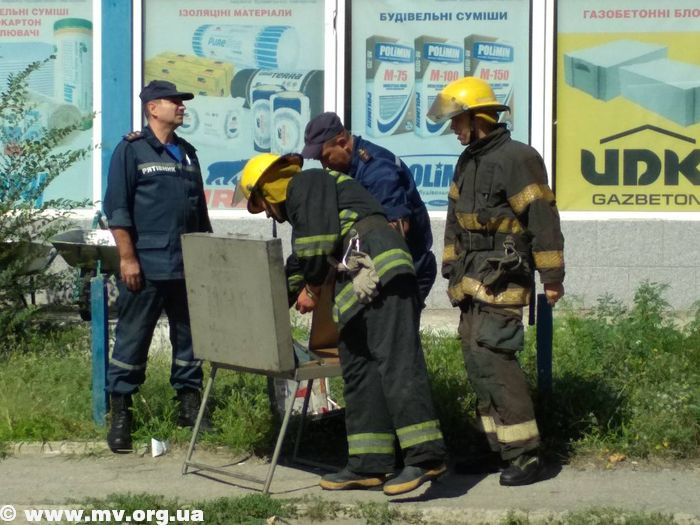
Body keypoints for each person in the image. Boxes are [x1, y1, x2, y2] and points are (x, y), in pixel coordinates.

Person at [234, 153, 447, 496]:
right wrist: (269, 307)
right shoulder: (311, 202)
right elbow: (300, 261)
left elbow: (315, 250)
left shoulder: (306, 183)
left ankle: (426, 457)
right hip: (361, 282)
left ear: (267, 190)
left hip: (380, 270)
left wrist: (312, 289)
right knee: (359, 368)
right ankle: (368, 463)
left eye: (262, 205)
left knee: (397, 362)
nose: (269, 214)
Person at [426, 76, 565, 486]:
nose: (453, 129)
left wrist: (552, 277)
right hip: (470, 276)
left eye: (457, 121)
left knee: (495, 358)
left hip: (504, 275)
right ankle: (495, 447)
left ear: (478, 119)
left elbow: (542, 218)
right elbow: (454, 220)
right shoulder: (468, 161)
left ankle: (526, 454)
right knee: (476, 359)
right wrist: (450, 265)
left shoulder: (518, 158)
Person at [103, 80, 213, 453]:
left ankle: (189, 407)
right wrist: (127, 258)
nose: (182, 106)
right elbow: (117, 209)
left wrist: (206, 257)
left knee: (190, 339)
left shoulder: (187, 154)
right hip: (145, 267)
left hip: (186, 265)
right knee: (132, 339)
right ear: (153, 108)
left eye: (182, 102)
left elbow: (200, 213)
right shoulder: (131, 150)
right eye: (174, 101)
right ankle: (121, 413)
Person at [301, 112, 436, 308]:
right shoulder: (348, 169)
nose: (325, 166)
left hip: (406, 271)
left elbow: (398, 230)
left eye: (326, 157)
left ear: (342, 143)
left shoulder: (378, 171)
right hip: (380, 270)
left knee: (391, 328)